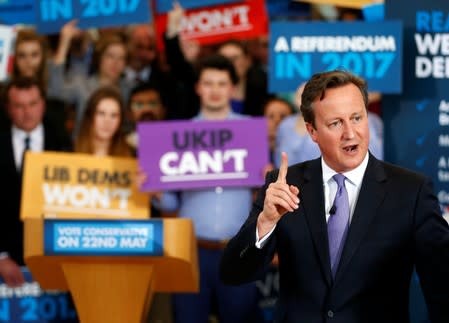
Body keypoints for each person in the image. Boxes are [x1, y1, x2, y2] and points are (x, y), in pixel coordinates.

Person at [220, 70, 449, 322]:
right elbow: (233, 274)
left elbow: (441, 286)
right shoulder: (283, 186)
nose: (350, 133)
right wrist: (266, 222)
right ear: (312, 131)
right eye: (335, 123)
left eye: (357, 118)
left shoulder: (411, 191)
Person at [153, 54, 261, 323]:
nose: (214, 90)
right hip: (191, 251)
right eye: (208, 83)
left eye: (221, 84)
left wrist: (266, 178)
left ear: (232, 89)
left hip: (240, 250)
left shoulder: (251, 131)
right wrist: (154, 192)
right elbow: (169, 203)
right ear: (198, 88)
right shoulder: (177, 135)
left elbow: (263, 196)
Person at [0, 77, 72, 287]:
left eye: (33, 104)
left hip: (56, 255)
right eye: (19, 106)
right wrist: (1, 256)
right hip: (8, 260)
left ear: (43, 104)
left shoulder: (63, 141)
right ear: (8, 108)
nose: (27, 112)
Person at [74, 86, 131, 157]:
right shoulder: (69, 151)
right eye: (101, 113)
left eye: (114, 115)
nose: (107, 121)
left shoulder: (132, 153)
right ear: (90, 116)